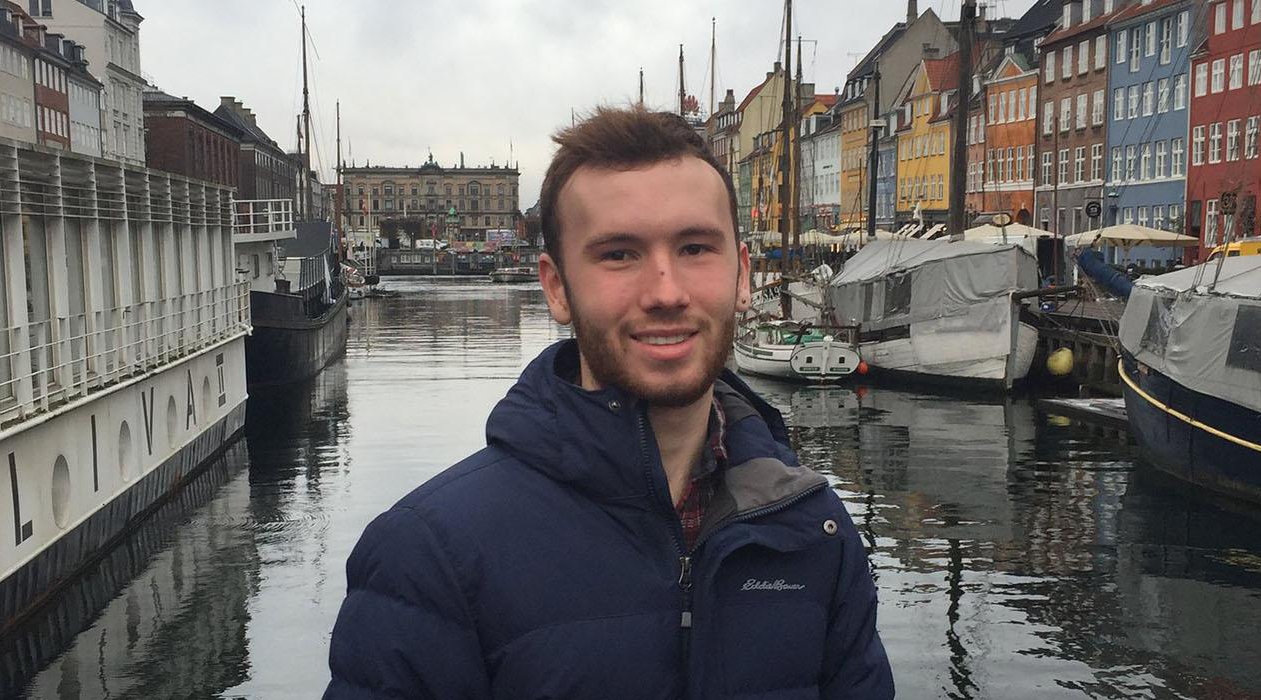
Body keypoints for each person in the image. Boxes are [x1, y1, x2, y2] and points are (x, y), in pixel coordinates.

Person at [324, 107, 894, 699]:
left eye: (696, 247)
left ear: (742, 274)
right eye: (619, 254)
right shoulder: (427, 559)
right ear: (556, 288)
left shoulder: (815, 533)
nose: (666, 292)